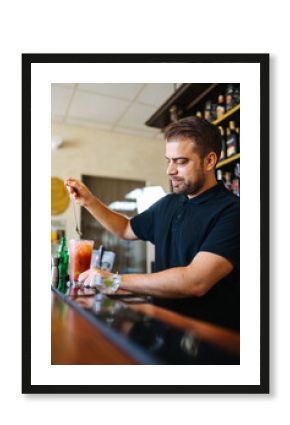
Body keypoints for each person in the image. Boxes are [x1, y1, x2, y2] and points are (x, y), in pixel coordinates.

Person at [65, 116, 240, 330]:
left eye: (181, 161)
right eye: (169, 160)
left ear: (210, 161)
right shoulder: (168, 203)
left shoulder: (233, 211)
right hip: (164, 328)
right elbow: (126, 228)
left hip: (211, 342)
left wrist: (114, 280)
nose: (170, 170)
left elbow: (195, 281)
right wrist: (90, 202)